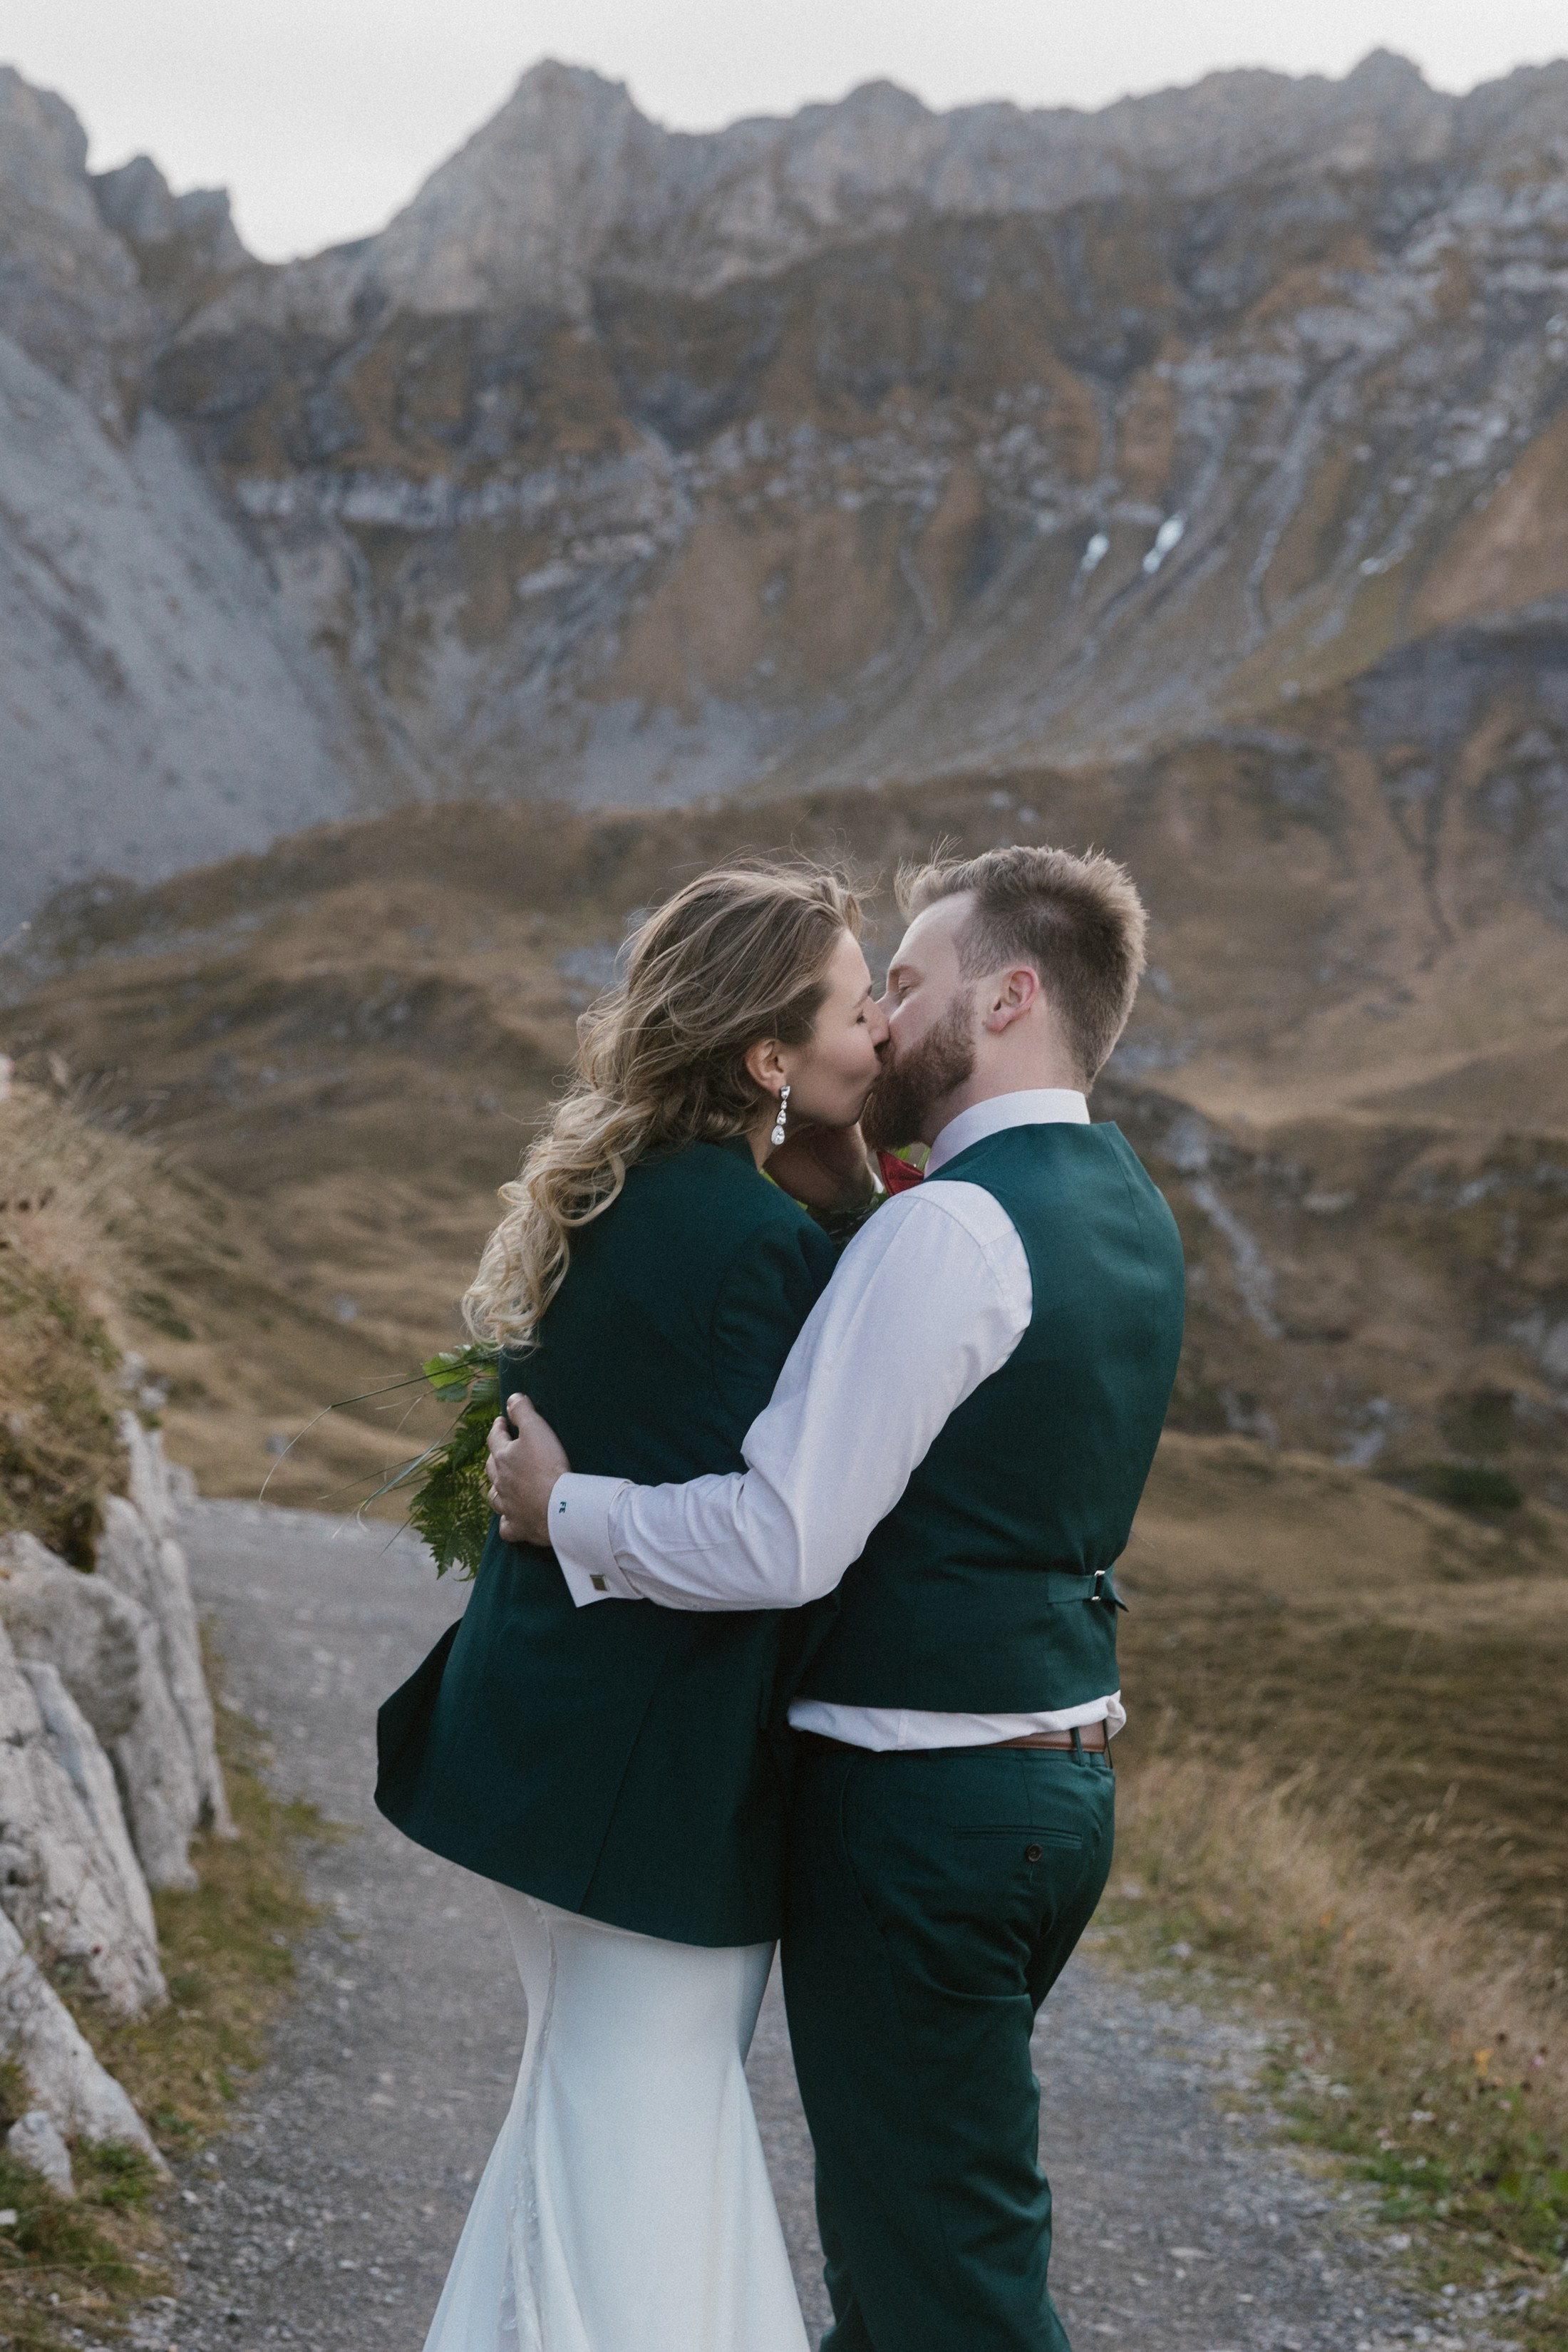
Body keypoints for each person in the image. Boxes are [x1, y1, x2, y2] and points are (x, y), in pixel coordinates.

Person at [490, 842, 1187, 2352]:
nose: (883, 1021)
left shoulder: (949, 1226)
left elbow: (782, 1540)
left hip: (917, 1806)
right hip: (1056, 1790)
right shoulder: (1126, 1206)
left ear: (1007, 998)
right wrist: (855, 1203)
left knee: (945, 2282)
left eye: (909, 985)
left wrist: (566, 1511)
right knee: (908, 2250)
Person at [374, 862, 888, 2352]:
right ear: (771, 1057)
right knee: (641, 2155)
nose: (883, 1037)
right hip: (649, 1799)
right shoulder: (756, 1247)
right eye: (859, 1010)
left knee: (586, 2133)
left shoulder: (624, 1196)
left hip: (558, 1764)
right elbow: (773, 1531)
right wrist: (856, 1220)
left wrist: (842, 1199)